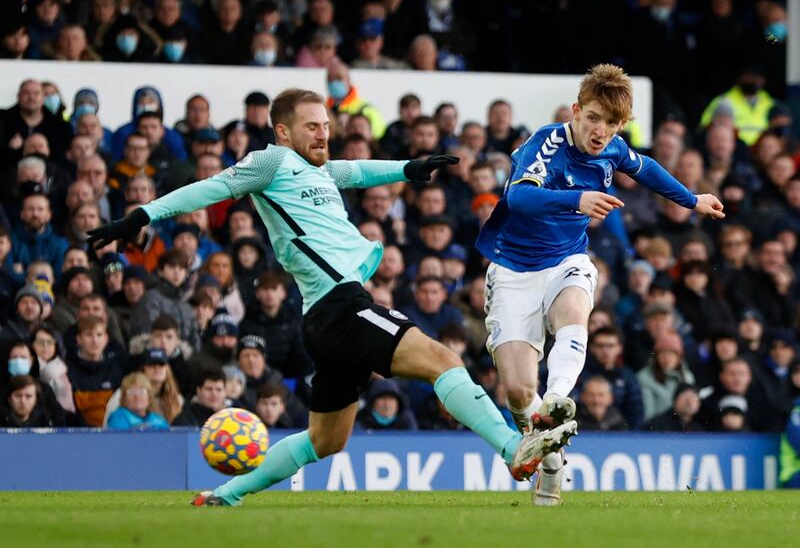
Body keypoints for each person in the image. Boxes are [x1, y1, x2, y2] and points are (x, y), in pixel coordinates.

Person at [88, 88, 573, 507]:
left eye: (326, 126)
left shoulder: (317, 169)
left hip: (325, 317)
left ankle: (226, 494)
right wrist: (142, 215)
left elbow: (356, 170)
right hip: (342, 308)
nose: (323, 134)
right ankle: (513, 448)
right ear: (282, 132)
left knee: (326, 440)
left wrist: (409, 167)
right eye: (311, 127)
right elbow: (209, 189)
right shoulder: (271, 162)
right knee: (442, 359)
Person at [475, 64, 724, 506]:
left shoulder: (614, 148)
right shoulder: (547, 143)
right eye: (593, 118)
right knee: (516, 391)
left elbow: (645, 168)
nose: (600, 131)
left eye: (611, 123)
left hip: (567, 260)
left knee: (575, 310)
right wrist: (578, 198)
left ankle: (555, 402)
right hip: (513, 272)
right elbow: (519, 197)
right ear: (576, 110)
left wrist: (692, 199)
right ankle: (549, 453)